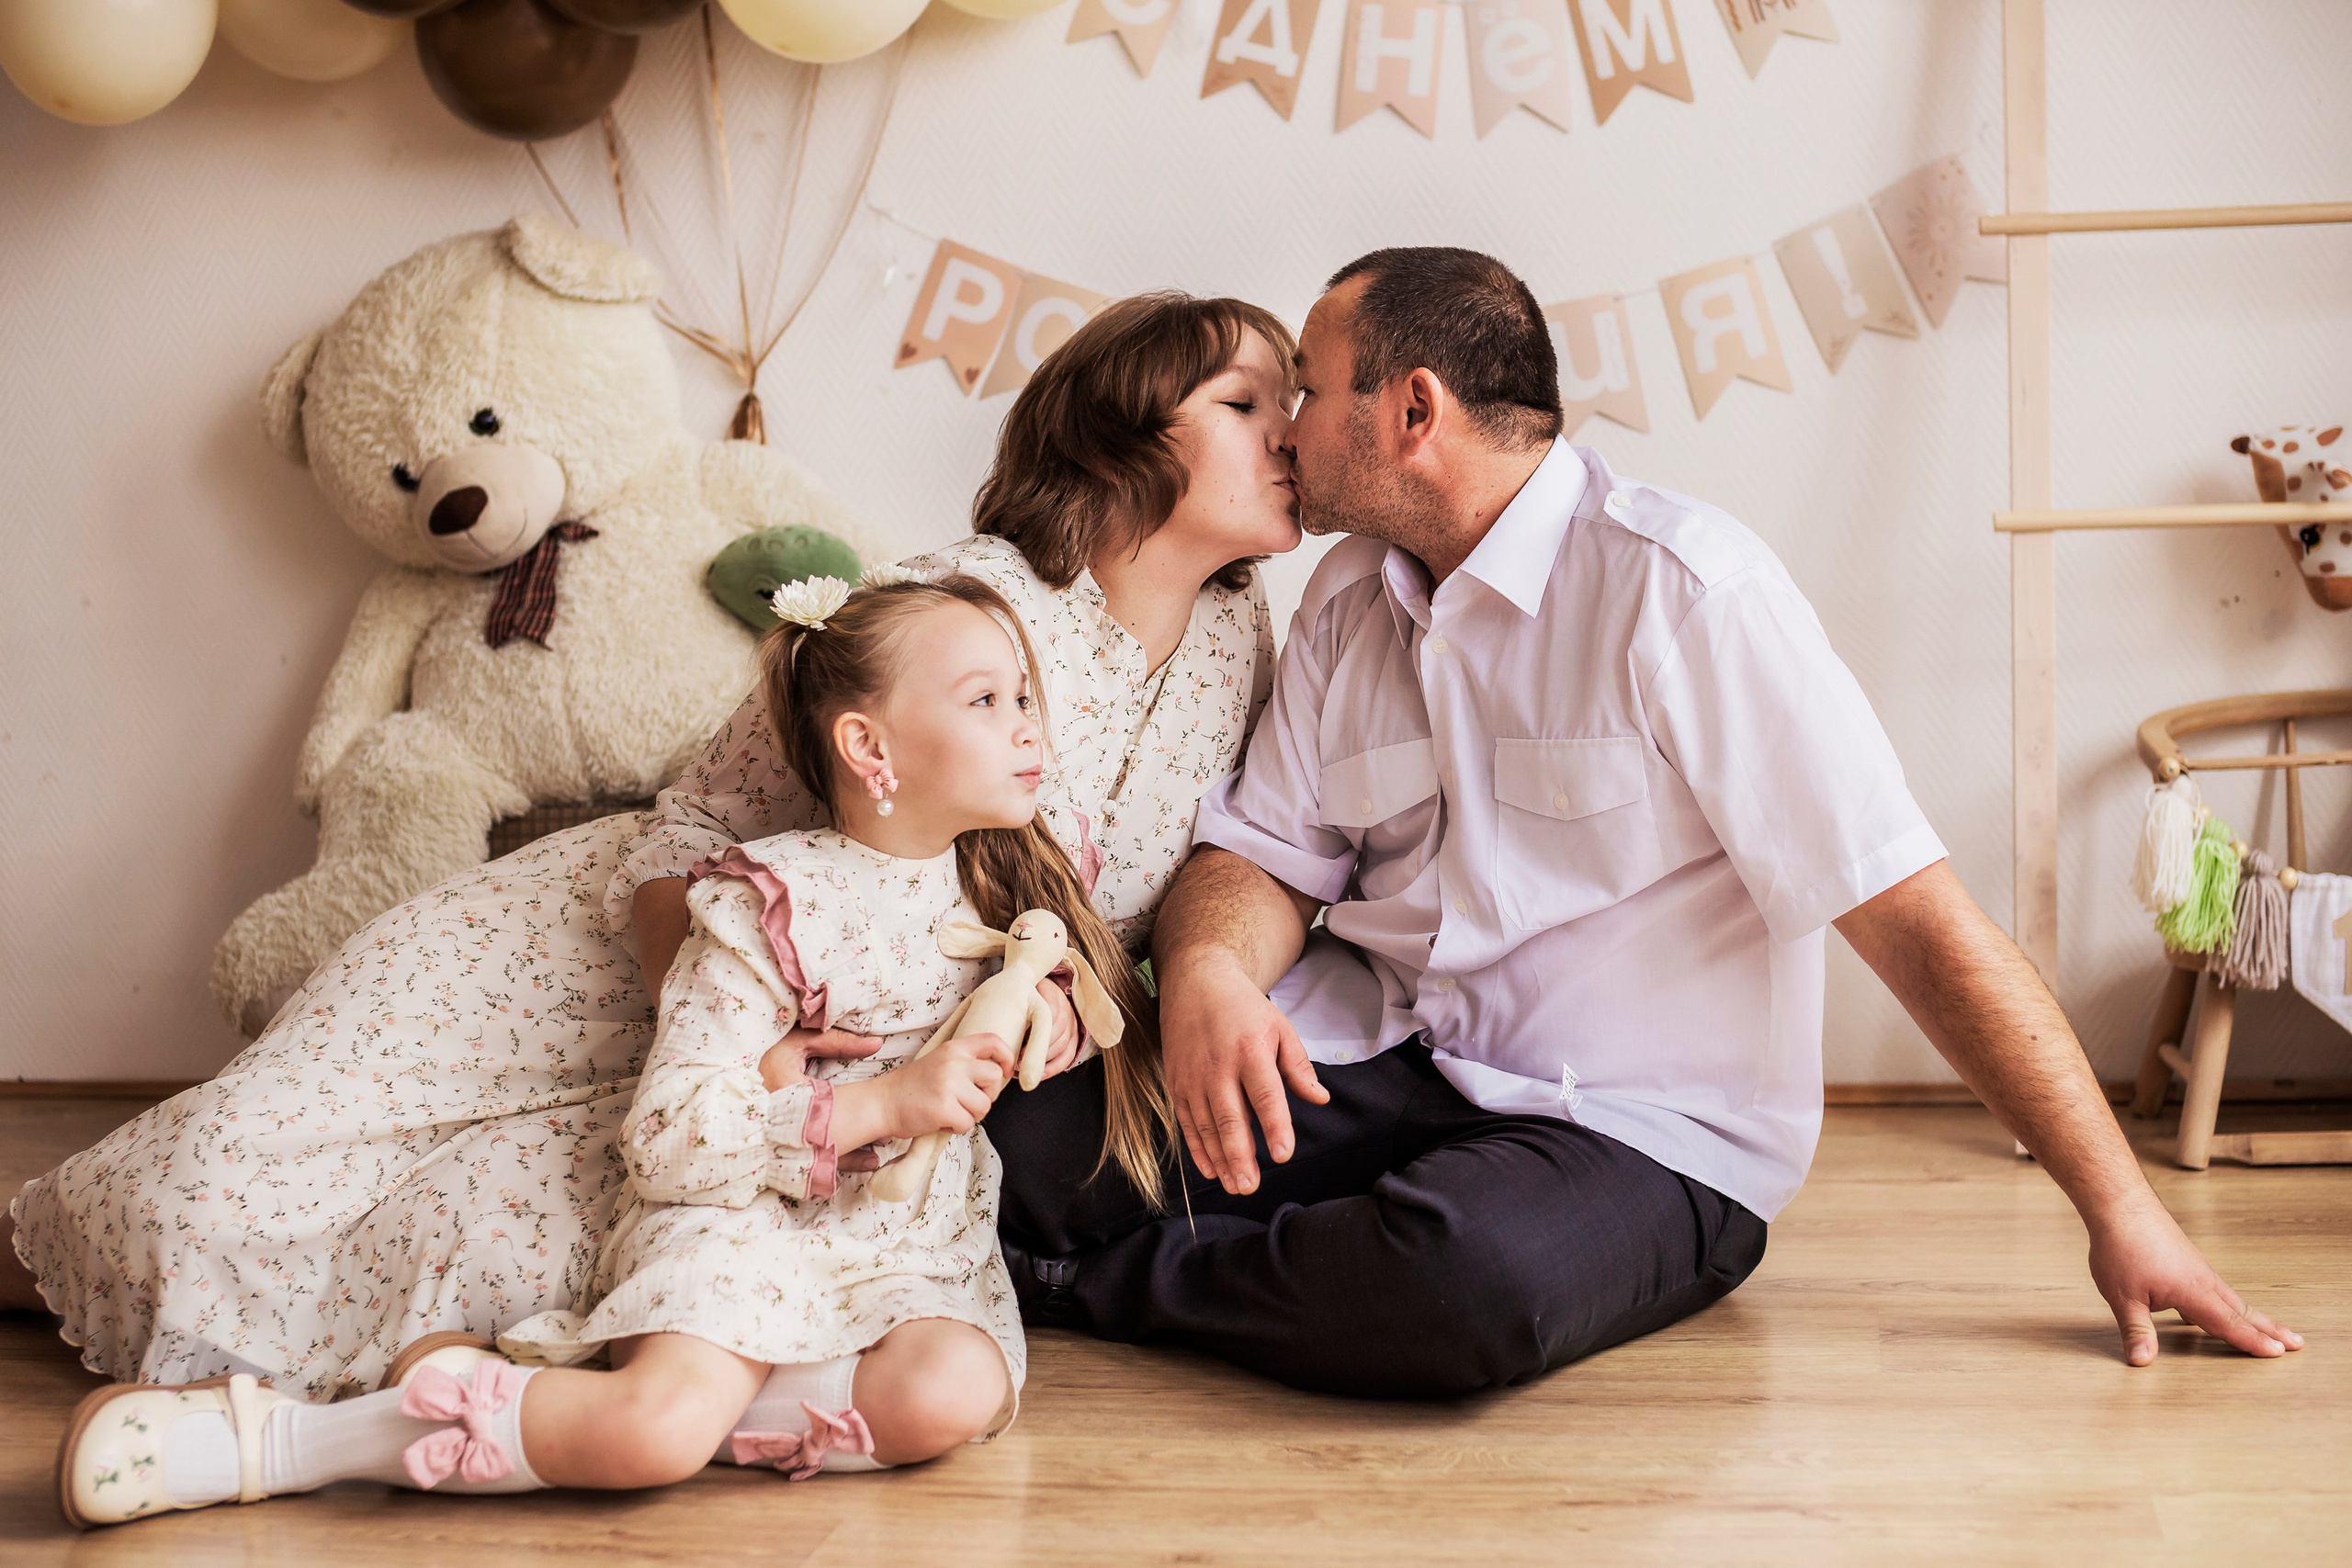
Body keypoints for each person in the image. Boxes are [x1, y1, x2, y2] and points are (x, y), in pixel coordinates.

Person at [983, 247, 2300, 1393]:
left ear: (1412, 410)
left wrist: (2120, 1208)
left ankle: (1081, 1284)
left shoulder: (1691, 596)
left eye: (1311, 393)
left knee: (1461, 1282)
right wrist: (1210, 974)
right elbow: (1262, 857)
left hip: (1629, 1125)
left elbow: (1915, 922)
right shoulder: (1344, 597)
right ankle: (1240, 1258)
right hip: (1375, 1052)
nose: (1288, 431)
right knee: (1020, 1147)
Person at [8, 292, 1299, 1406]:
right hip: (620, 967)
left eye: (1288, 401)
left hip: (812, 1085)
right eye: (1247, 403)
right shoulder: (968, 600)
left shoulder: (1237, 640)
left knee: (488, 1269)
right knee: (202, 1195)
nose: (1289, 429)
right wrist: (728, 1046)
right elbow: (693, 825)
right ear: (1121, 436)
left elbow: (1127, 908)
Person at [57, 571, 1160, 1528]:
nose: (1029, 728)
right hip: (747, 1220)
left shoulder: (991, 888)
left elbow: (1053, 988)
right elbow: (670, 1137)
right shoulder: (768, 905)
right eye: (986, 701)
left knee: (951, 1395)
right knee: (654, 1435)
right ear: (869, 748)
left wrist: (1042, 1011)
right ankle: (273, 1443)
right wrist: (884, 1105)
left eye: (1025, 699)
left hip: (895, 1244)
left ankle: (507, 1400)